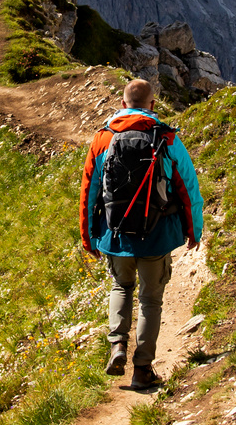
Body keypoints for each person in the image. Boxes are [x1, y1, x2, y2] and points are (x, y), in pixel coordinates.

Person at [79, 78, 204, 390]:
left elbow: (89, 193)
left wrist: (88, 235)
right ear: (153, 105)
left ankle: (117, 346)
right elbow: (188, 189)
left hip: (116, 233)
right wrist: (193, 231)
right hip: (157, 234)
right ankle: (142, 370)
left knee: (121, 288)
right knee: (151, 299)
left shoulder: (103, 139)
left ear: (123, 105)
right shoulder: (167, 139)